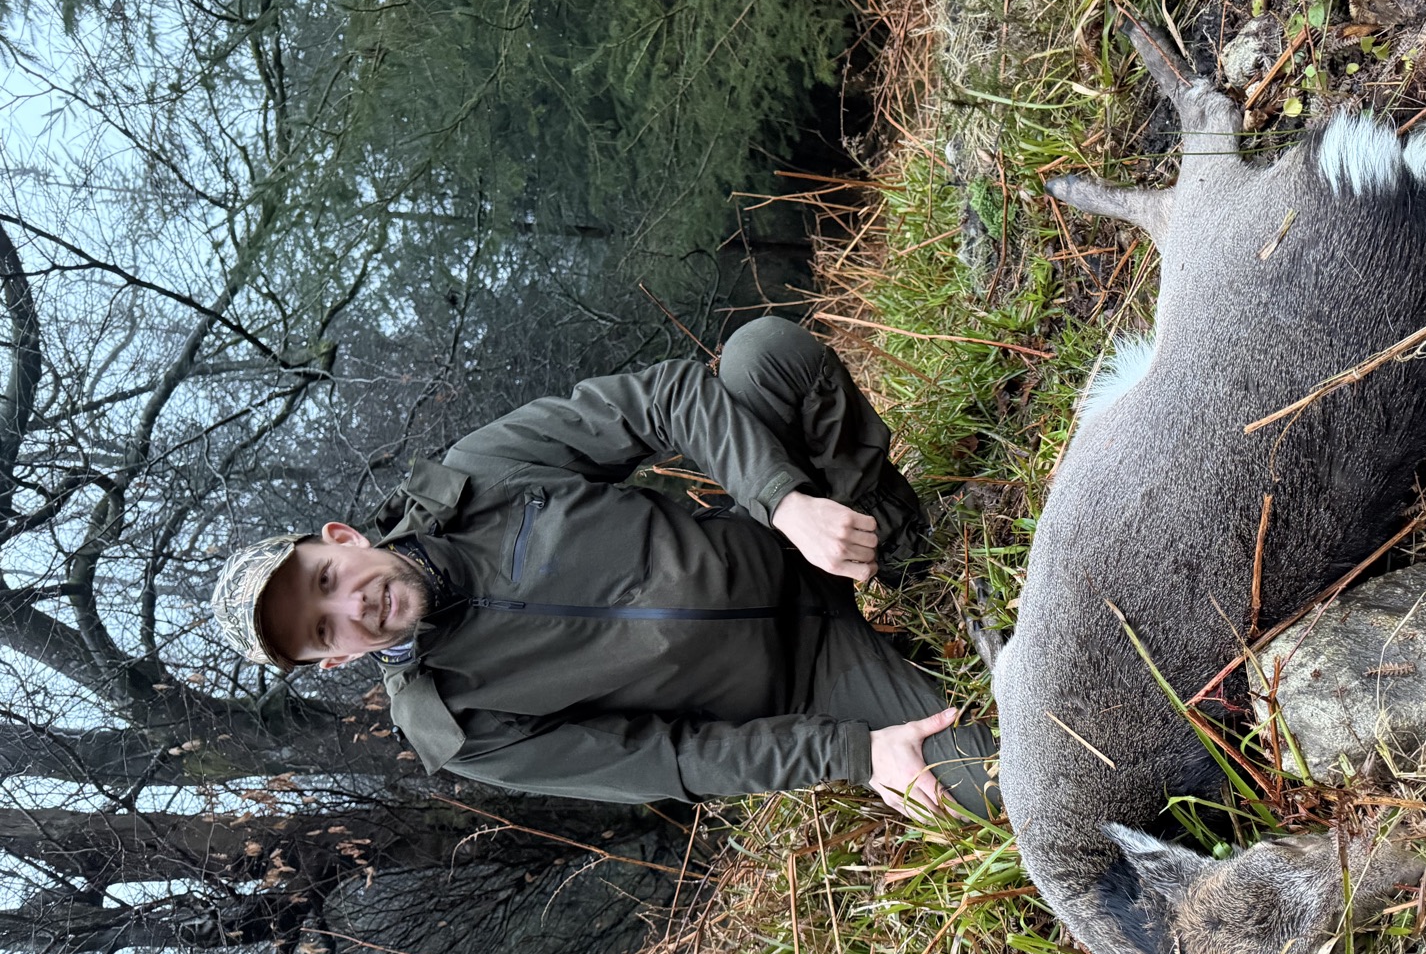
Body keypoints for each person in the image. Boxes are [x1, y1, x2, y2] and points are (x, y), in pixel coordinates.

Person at [210, 317, 998, 817]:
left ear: (341, 540)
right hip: (814, 684)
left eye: (324, 582)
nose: (350, 607)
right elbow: (671, 760)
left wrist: (783, 500)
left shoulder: (477, 475)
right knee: (1000, 776)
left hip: (786, 543)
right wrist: (854, 754)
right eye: (323, 631)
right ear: (338, 657)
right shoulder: (454, 727)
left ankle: (902, 551)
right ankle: (916, 696)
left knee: (766, 356)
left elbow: (661, 399)